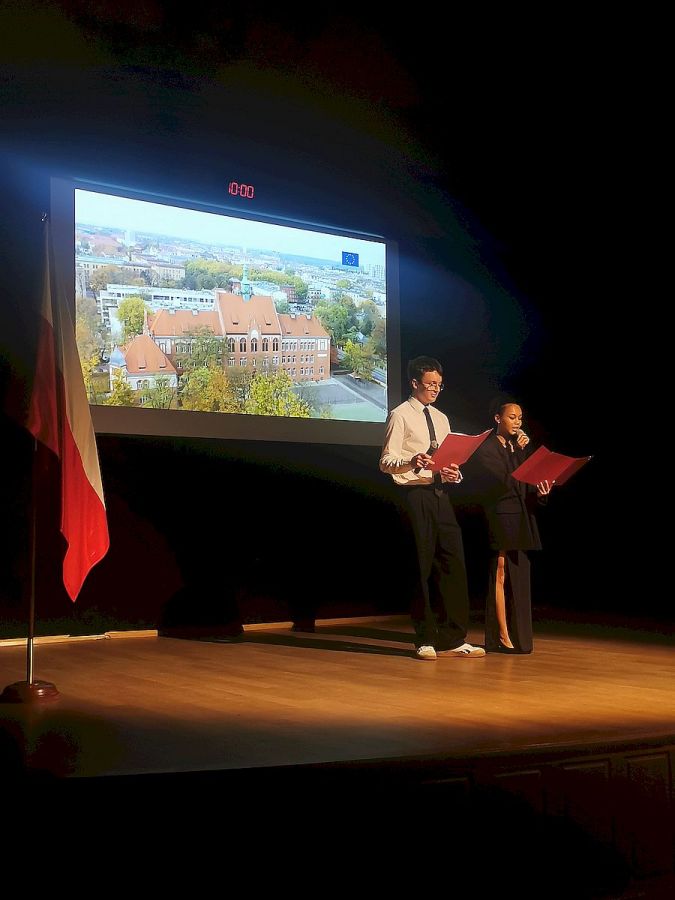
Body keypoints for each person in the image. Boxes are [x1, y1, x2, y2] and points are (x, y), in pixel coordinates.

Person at [379, 356, 485, 660]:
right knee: (421, 566)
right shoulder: (400, 415)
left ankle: (453, 637)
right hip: (415, 495)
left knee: (452, 563)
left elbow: (447, 460)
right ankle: (424, 638)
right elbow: (386, 461)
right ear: (415, 383)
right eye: (430, 384)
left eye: (439, 384)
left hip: (440, 494)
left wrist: (453, 473)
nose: (436, 389)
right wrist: (412, 461)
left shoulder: (441, 418)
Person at [466, 400, 551, 654]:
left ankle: (520, 636)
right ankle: (501, 635)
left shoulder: (519, 447)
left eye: (520, 418)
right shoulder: (486, 447)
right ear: (497, 418)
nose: (517, 422)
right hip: (501, 516)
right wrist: (520, 453)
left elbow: (528, 484)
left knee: (521, 576)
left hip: (522, 517)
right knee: (501, 572)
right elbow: (505, 481)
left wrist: (541, 492)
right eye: (512, 417)